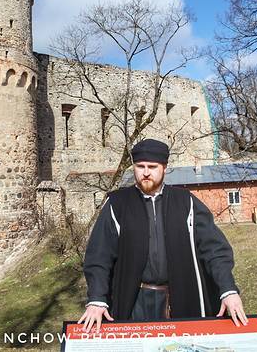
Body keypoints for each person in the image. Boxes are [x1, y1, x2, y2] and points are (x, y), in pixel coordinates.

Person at [78, 139, 247, 332]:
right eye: (140, 166)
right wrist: (97, 298)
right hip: (134, 300)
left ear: (164, 168)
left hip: (180, 297)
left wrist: (228, 289)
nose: (146, 172)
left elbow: (215, 250)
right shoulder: (117, 204)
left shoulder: (185, 202)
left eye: (152, 167)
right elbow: (99, 256)